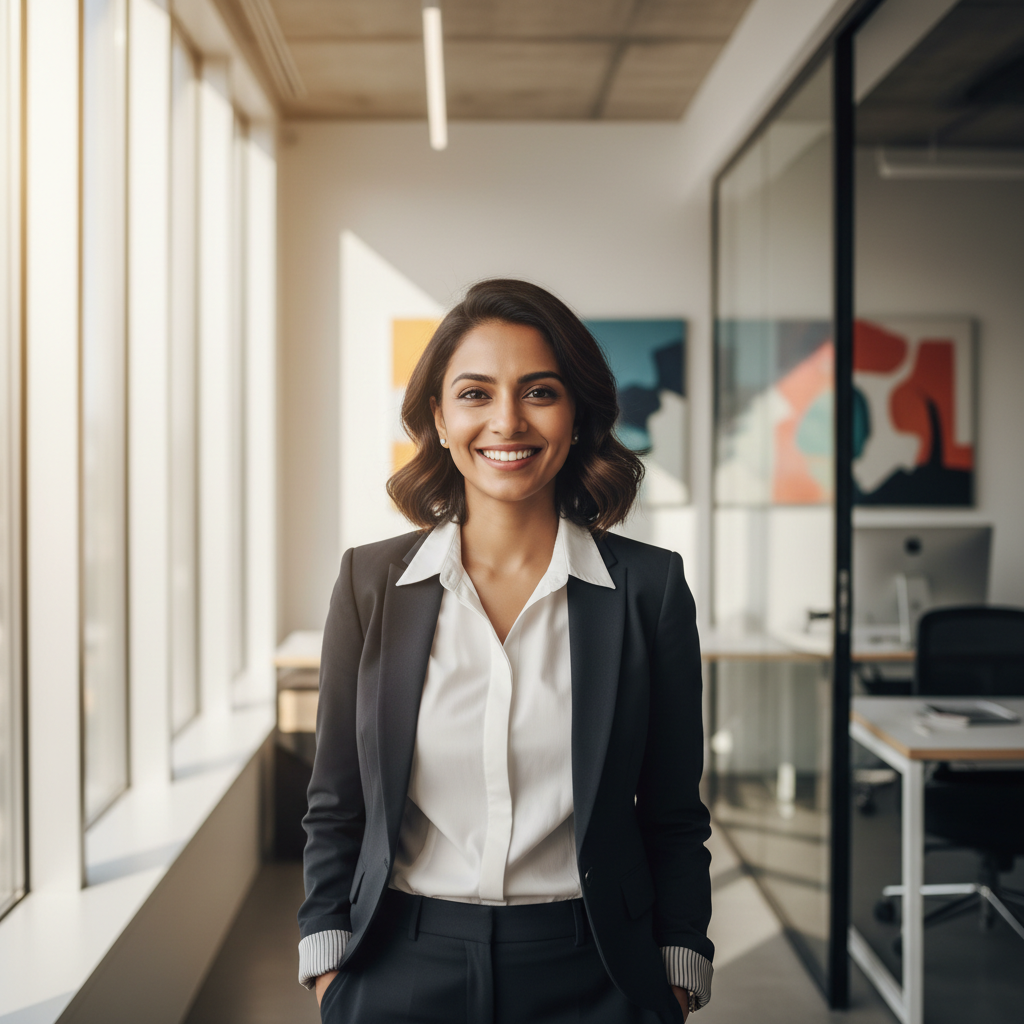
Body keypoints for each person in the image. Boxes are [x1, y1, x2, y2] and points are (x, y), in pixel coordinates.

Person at [298, 279, 713, 1023]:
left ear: (578, 414)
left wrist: (678, 977)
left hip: (596, 972)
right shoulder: (372, 582)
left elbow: (674, 810)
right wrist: (330, 968)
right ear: (440, 416)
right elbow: (337, 801)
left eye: (540, 392)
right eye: (476, 393)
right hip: (400, 964)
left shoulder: (651, 589)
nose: (507, 421)